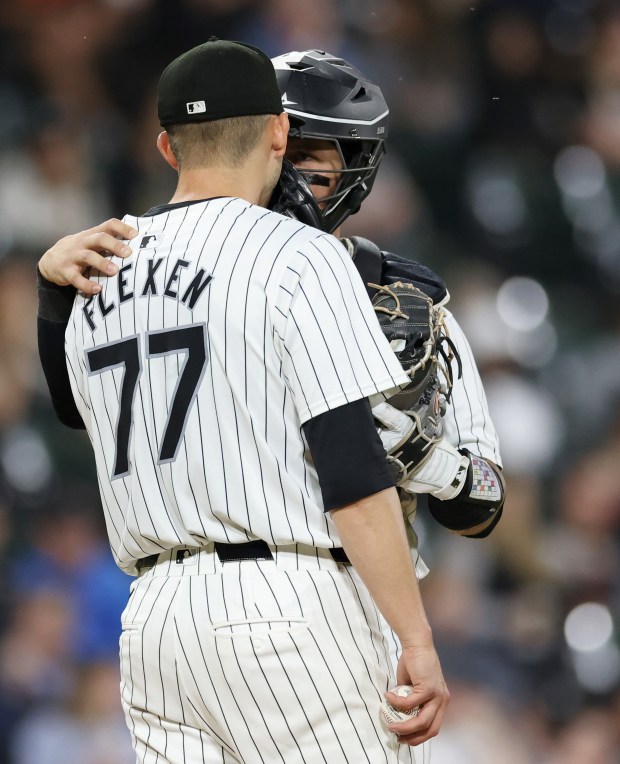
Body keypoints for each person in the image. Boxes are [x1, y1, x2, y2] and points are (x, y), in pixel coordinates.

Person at [37, 38, 449, 763]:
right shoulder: (300, 253)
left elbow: (74, 412)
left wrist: (51, 297)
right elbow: (353, 474)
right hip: (284, 608)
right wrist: (414, 635)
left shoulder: (98, 262)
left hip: (157, 626)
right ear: (280, 132)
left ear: (167, 146)